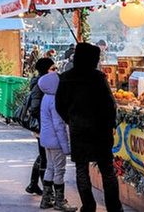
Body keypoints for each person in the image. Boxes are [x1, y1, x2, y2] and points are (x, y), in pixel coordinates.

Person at [55, 43, 123, 212]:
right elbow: (109, 104)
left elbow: (59, 106)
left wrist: (72, 120)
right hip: (100, 130)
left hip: (79, 130)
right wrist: (110, 124)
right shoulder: (97, 77)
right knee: (107, 169)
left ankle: (88, 206)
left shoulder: (65, 78)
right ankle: (114, 208)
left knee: (81, 169)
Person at [38, 68, 76, 211]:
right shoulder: (55, 100)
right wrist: (66, 147)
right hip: (56, 141)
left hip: (46, 139)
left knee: (50, 167)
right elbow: (59, 125)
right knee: (59, 170)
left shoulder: (46, 97)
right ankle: (60, 201)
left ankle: (46, 199)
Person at [25, 57, 56, 197]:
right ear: (45, 70)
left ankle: (33, 184)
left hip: (44, 126)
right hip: (43, 126)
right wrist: (46, 121)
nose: (56, 71)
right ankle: (47, 193)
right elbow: (34, 109)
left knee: (43, 155)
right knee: (45, 157)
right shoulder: (40, 85)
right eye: (53, 69)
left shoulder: (45, 82)